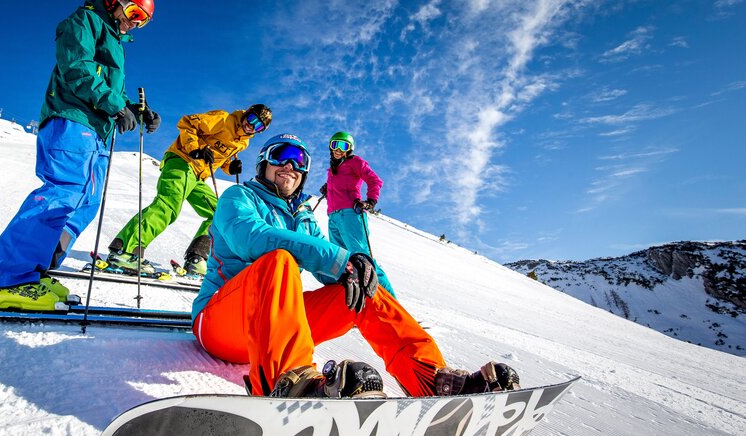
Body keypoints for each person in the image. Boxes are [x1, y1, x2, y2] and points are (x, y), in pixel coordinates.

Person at [191, 133, 520, 398]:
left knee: (358, 284)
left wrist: (360, 275)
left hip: (269, 329)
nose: (289, 166)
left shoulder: (303, 219)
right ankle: (290, 385)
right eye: (281, 155)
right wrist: (340, 259)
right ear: (264, 163)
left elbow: (335, 265)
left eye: (300, 161)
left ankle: (429, 378)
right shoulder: (239, 197)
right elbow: (252, 238)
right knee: (278, 261)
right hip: (220, 324)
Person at [0, 0, 161, 310]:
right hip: (74, 121)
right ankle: (5, 278)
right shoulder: (85, 21)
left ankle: (35, 270)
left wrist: (134, 109)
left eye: (142, 20)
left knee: (86, 201)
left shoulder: (114, 41)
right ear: (114, 0)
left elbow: (102, 82)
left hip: (97, 131)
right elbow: (77, 69)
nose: (134, 22)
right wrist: (115, 105)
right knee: (63, 193)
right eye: (133, 12)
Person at [103, 104, 272, 276]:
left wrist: (231, 167)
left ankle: (197, 258)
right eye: (251, 119)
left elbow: (219, 158)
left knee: (221, 213)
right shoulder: (224, 119)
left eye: (258, 126)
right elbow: (188, 123)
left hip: (198, 176)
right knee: (168, 206)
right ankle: (124, 251)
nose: (251, 125)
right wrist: (195, 149)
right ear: (247, 114)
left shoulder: (242, 142)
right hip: (182, 161)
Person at [319, 131, 396, 297]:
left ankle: (393, 303)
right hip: (333, 217)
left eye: (343, 145)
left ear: (350, 149)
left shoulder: (355, 162)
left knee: (363, 261)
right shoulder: (333, 169)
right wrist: (328, 188)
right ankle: (357, 308)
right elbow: (341, 183)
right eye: (335, 145)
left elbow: (375, 180)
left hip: (350, 215)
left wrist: (370, 201)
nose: (338, 149)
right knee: (343, 263)